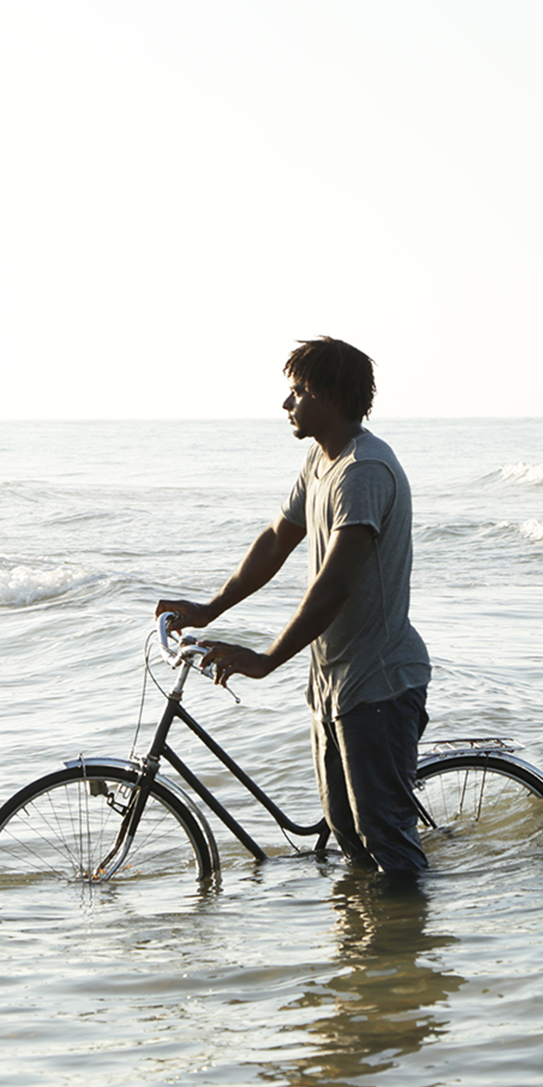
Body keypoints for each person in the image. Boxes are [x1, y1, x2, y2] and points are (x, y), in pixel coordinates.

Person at [156, 336, 432, 881]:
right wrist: (209, 609)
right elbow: (277, 540)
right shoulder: (321, 459)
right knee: (346, 831)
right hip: (333, 679)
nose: (288, 405)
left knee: (387, 842)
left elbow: (334, 586)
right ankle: (368, 952)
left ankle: (408, 954)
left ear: (329, 397)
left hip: (378, 684)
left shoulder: (364, 472)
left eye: (298, 392)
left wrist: (264, 660)